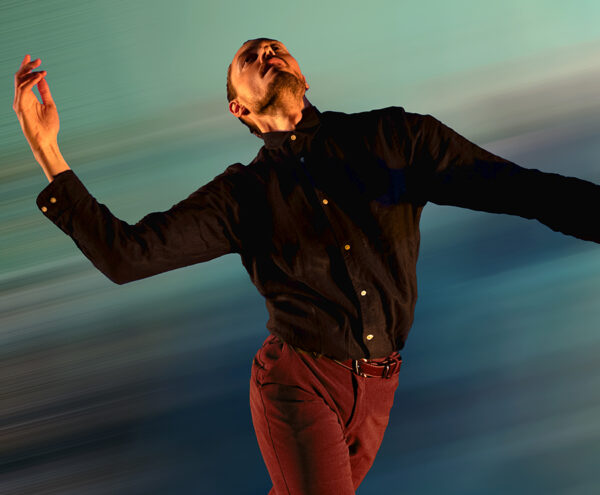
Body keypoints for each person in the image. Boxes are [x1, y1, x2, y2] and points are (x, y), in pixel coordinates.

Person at [13, 38, 600, 494]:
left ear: (304, 78)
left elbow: (517, 188)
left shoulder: (394, 136)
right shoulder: (240, 196)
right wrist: (48, 152)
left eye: (277, 49)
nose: (269, 52)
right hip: (298, 385)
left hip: (379, 389)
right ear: (237, 107)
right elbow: (125, 255)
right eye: (251, 56)